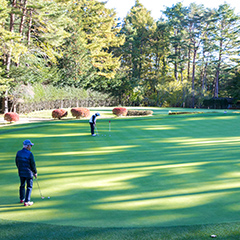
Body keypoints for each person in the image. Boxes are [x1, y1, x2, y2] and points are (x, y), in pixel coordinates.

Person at [15, 139, 37, 206]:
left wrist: (19, 168)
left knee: (22, 185)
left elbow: (16, 162)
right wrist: (35, 172)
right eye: (30, 146)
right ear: (27, 146)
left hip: (21, 172)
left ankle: (22, 199)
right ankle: (27, 201)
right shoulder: (30, 154)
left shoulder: (18, 152)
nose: (31, 147)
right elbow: (32, 164)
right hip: (28, 173)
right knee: (29, 186)